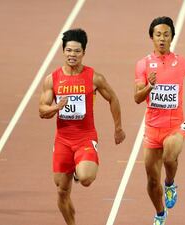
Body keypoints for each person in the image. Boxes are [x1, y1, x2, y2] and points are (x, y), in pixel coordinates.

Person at [38, 28, 126, 225]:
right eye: (69, 50)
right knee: (61, 191)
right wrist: (56, 107)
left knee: (86, 178)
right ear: (63, 51)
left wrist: (118, 128)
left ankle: (79, 170)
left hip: (85, 137)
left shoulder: (94, 77)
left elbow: (112, 98)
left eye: (77, 51)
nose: (72, 55)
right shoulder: (52, 79)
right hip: (62, 140)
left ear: (83, 53)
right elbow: (42, 110)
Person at [134, 16, 185, 225]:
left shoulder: (182, 63)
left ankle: (170, 184)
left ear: (172, 37)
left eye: (166, 35)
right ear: (151, 37)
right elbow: (136, 98)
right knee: (152, 181)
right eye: (158, 35)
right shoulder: (143, 65)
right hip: (152, 129)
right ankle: (160, 213)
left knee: (170, 158)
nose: (162, 39)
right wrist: (149, 87)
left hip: (176, 126)